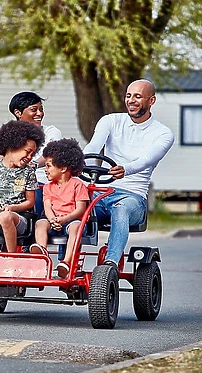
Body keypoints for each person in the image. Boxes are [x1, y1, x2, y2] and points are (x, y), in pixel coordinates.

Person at [83, 79, 174, 270]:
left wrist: (126, 169)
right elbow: (92, 147)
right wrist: (78, 165)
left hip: (132, 196)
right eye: (128, 95)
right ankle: (67, 262)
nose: (131, 100)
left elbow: (146, 160)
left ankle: (111, 263)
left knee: (120, 209)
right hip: (102, 192)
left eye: (138, 96)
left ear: (151, 101)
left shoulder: (163, 134)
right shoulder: (111, 121)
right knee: (73, 202)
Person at [0, 120, 45, 253]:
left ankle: (11, 255)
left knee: (5, 216)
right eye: (27, 151)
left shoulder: (28, 172)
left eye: (32, 154)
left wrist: (11, 208)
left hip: (17, 218)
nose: (29, 157)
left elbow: (30, 202)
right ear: (13, 146)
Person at [0, 91, 62, 214]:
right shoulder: (7, 133)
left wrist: (32, 164)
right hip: (9, 181)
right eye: (34, 110)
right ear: (18, 113)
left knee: (35, 192)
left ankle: (37, 225)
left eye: (41, 109)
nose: (39, 113)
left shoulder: (51, 132)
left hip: (39, 182)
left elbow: (50, 155)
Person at [29, 138, 89, 279]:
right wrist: (52, 219)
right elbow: (47, 206)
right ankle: (42, 253)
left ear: (62, 168)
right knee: (40, 223)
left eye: (49, 166)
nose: (45, 170)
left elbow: (80, 209)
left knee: (76, 228)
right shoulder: (48, 187)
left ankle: (66, 262)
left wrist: (65, 219)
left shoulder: (77, 185)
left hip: (71, 220)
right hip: (53, 219)